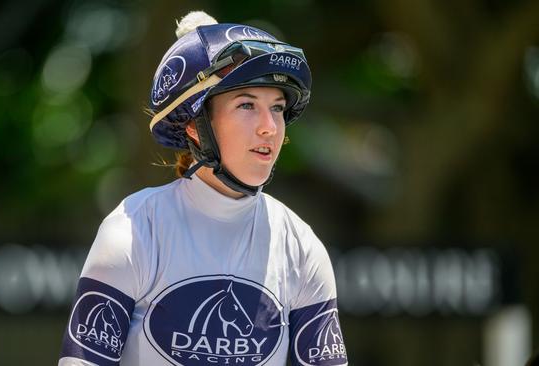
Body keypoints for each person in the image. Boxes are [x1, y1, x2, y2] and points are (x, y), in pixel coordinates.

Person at [59, 11, 347, 366]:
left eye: (277, 108)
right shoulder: (134, 230)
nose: (270, 127)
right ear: (194, 125)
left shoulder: (301, 247)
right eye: (246, 105)